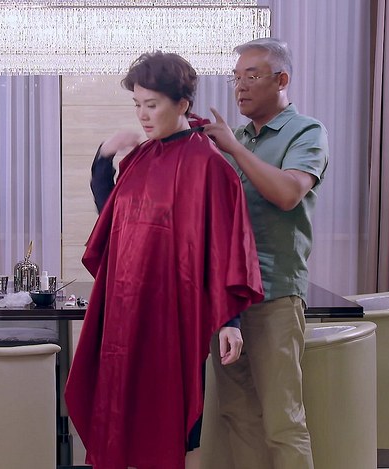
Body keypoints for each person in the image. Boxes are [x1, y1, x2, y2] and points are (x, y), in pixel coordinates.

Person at [65, 51, 264, 469]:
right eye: (137, 104)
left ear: (182, 104)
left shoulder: (209, 166)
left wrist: (230, 321)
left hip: (174, 314)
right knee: (119, 407)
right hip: (125, 309)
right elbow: (113, 218)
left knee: (167, 415)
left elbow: (226, 245)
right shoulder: (141, 157)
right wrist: (103, 159)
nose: (142, 115)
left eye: (151, 105)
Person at [199, 38, 329, 469]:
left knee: (282, 421)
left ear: (282, 79)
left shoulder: (307, 131)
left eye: (252, 76)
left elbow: (288, 194)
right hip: (229, 299)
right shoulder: (234, 139)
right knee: (239, 417)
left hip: (275, 294)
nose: (240, 87)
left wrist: (232, 150)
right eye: (236, 78)